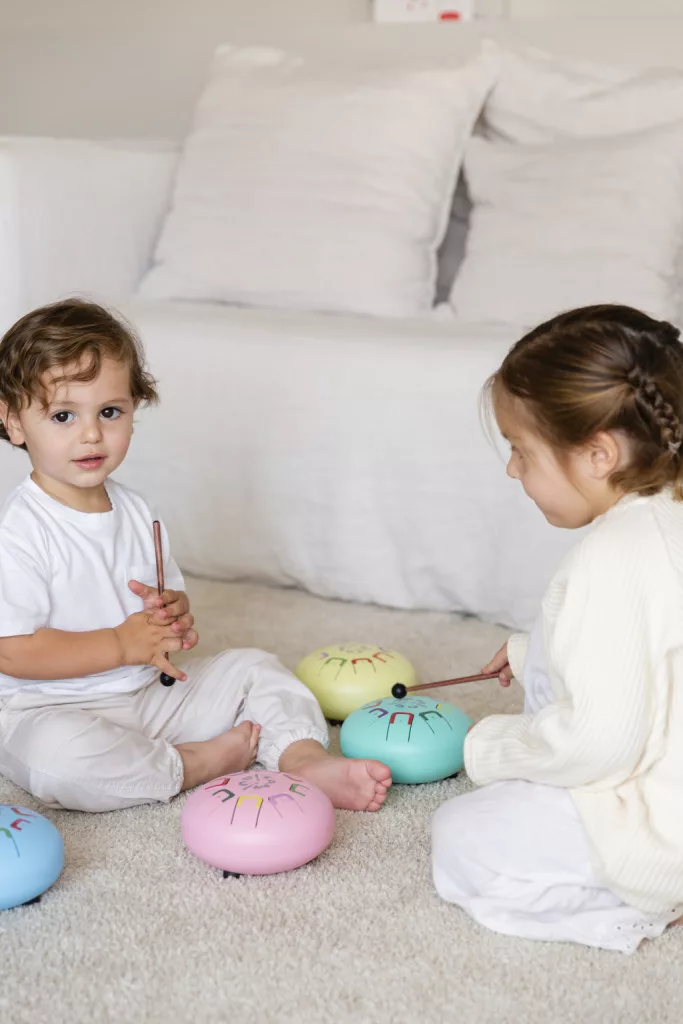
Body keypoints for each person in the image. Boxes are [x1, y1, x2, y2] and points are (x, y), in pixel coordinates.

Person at [0, 299, 392, 813]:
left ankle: (302, 758)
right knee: (59, 761)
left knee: (254, 669)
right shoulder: (19, 531)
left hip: (148, 694)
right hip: (48, 708)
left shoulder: (137, 511)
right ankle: (188, 765)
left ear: (134, 409)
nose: (91, 433)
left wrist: (172, 616)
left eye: (110, 412)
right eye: (63, 415)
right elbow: (12, 651)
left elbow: (164, 597)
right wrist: (120, 643)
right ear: (14, 422)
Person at [432, 304, 683, 954]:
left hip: (664, 825)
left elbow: (601, 746)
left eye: (520, 450)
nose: (512, 469)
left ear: (598, 453)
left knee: (463, 838)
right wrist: (531, 654)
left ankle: (646, 903)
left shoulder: (612, 559)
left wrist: (491, 745)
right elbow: (655, 647)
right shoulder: (667, 512)